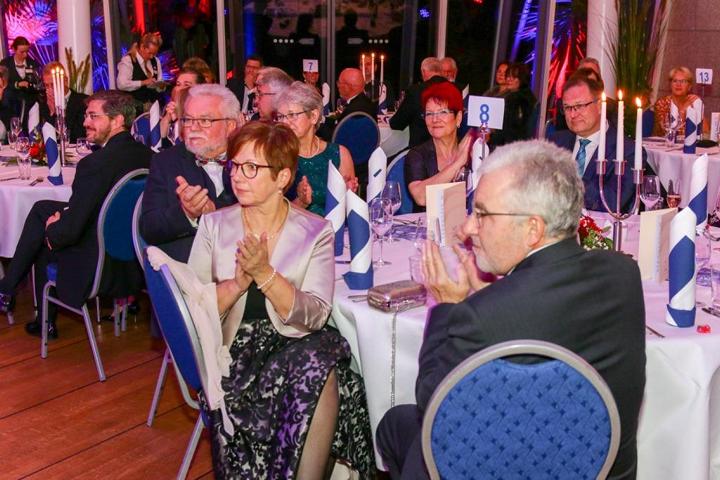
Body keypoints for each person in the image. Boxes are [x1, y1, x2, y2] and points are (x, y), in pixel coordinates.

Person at [376, 140, 646, 480]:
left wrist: (446, 306)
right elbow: (545, 313)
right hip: (597, 469)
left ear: (533, 229)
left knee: (396, 424)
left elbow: (432, 403)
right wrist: (491, 294)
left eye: (482, 214)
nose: (468, 228)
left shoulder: (480, 316)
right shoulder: (624, 274)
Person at [187, 121, 374, 478]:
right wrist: (237, 283)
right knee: (328, 375)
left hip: (296, 341)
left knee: (323, 365)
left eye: (251, 168)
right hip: (236, 353)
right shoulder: (214, 226)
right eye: (235, 165)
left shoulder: (315, 231)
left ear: (282, 177)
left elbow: (315, 315)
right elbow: (193, 308)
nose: (237, 176)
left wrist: (266, 274)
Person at [0, 90, 152, 337]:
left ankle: (41, 319)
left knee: (47, 236)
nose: (85, 122)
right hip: (132, 256)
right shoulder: (149, 156)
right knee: (42, 209)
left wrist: (54, 228)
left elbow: (69, 233)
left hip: (98, 262)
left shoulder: (94, 164)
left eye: (93, 116)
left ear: (117, 121)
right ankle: (7, 289)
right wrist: (62, 217)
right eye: (85, 115)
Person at [140, 84, 239, 262]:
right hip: (188, 264)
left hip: (243, 257)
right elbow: (150, 228)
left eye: (205, 120)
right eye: (188, 120)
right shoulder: (166, 162)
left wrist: (215, 211)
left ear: (230, 125)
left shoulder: (250, 158)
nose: (193, 127)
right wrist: (186, 213)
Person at [549, 75, 637, 212]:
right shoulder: (556, 142)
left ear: (600, 106)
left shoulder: (627, 150)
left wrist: (569, 178)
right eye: (567, 107)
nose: (572, 115)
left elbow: (613, 202)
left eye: (579, 106)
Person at [276, 81, 357, 215]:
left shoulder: (339, 154)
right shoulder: (276, 156)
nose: (284, 122)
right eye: (280, 116)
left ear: (313, 116)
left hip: (334, 226)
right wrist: (300, 202)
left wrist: (347, 195)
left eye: (292, 115)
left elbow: (350, 212)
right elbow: (271, 216)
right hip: (295, 227)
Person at [404, 81, 470, 211]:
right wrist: (458, 163)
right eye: (429, 113)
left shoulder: (473, 152)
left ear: (458, 118)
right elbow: (421, 197)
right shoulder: (417, 155)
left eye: (443, 112)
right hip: (427, 223)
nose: (435, 119)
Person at [390, 57, 448, 148]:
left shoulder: (416, 91)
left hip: (421, 149)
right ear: (441, 71)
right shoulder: (457, 89)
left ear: (423, 71)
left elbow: (397, 123)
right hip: (448, 149)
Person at [38, 62, 88, 143]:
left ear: (65, 81)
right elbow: (45, 137)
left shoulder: (82, 101)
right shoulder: (44, 103)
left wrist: (58, 112)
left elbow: (78, 135)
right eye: (46, 85)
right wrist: (52, 113)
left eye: (53, 85)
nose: (49, 89)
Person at [116, 32, 165, 110]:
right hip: (133, 108)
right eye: (149, 53)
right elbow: (122, 84)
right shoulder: (128, 60)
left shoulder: (156, 61)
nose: (151, 57)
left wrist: (160, 85)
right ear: (142, 47)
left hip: (152, 108)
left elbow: (159, 80)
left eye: (154, 54)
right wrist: (143, 82)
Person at [492, 63, 537, 146]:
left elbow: (509, 129)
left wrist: (491, 137)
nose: (509, 79)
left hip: (511, 146)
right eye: (508, 76)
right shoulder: (529, 96)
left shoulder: (514, 99)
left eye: (514, 77)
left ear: (522, 79)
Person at [653, 66, 706, 137]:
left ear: (689, 86)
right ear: (670, 84)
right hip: (664, 142)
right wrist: (682, 111)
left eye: (683, 81)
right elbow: (668, 133)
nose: (678, 84)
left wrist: (698, 108)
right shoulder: (662, 103)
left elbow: (705, 132)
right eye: (675, 81)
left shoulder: (693, 101)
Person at [0, 36, 41, 126]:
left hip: (29, 102)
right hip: (10, 103)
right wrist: (17, 84)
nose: (25, 55)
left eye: (27, 51)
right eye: (22, 52)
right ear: (14, 49)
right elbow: (2, 84)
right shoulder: (5, 64)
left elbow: (38, 83)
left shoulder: (32, 63)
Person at [159, 67, 205, 143]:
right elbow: (160, 141)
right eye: (178, 84)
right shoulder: (170, 108)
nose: (179, 89)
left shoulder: (202, 113)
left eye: (186, 85)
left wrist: (177, 120)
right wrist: (167, 117)